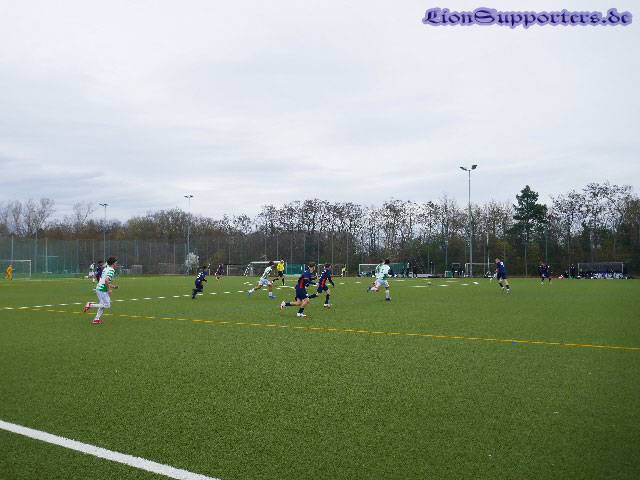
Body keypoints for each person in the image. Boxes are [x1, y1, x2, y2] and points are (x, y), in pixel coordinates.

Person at [84, 256, 119, 324]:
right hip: (102, 290)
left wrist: (114, 287)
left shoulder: (106, 268)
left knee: (102, 305)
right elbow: (106, 280)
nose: (116, 264)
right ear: (113, 263)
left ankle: (96, 319)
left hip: (99, 288)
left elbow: (105, 281)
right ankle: (90, 305)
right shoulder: (111, 270)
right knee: (107, 305)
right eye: (116, 263)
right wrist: (109, 289)